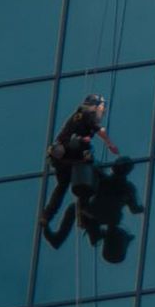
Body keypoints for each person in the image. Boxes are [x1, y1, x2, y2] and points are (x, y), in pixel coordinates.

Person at [40, 94, 118, 229]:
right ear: (95, 106)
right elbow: (101, 131)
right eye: (102, 107)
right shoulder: (88, 115)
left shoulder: (78, 115)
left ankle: (47, 215)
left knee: (62, 186)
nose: (104, 110)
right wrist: (110, 145)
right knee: (89, 178)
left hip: (62, 157)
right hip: (73, 154)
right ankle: (83, 216)